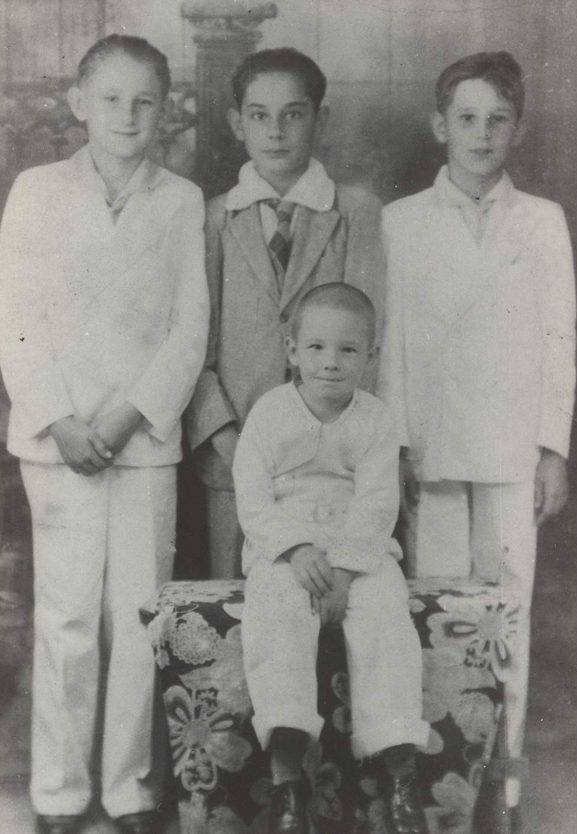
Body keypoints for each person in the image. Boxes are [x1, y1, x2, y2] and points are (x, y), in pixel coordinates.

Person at [0, 35, 209, 834]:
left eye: (145, 101)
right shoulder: (37, 190)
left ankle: (128, 788)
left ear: (167, 113)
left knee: (137, 615)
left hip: (142, 440)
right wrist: (61, 420)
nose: (127, 115)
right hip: (59, 444)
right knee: (65, 618)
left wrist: (126, 419)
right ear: (78, 103)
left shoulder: (180, 200)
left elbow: (189, 331)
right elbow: (16, 320)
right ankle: (57, 790)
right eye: (111, 98)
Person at [377, 51, 576, 828]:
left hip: (510, 454)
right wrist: (395, 448)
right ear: (440, 126)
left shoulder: (543, 222)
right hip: (431, 452)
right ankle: (444, 779)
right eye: (466, 118)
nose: (481, 133)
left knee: (508, 617)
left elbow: (561, 339)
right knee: (435, 615)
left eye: (497, 119)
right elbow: (390, 348)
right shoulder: (401, 221)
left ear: (517, 130)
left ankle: (507, 781)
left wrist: (552, 449)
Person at [233, 283, 429, 834]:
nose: (330, 363)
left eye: (348, 350)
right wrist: (294, 549)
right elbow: (252, 497)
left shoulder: (376, 418)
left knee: (386, 613)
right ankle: (287, 778)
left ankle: (399, 776)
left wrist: (344, 569)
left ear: (371, 355)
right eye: (316, 347)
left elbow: (375, 504)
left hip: (356, 552)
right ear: (292, 349)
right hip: (285, 551)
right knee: (275, 614)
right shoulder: (270, 413)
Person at [186, 48, 386, 579]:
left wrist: (339, 443)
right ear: (237, 122)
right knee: (238, 609)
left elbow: (370, 342)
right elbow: (196, 348)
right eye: (259, 115)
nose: (275, 131)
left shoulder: (354, 212)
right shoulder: (212, 219)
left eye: (293, 114)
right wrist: (227, 440)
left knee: (333, 596)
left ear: (319, 120)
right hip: (233, 459)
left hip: (330, 464)